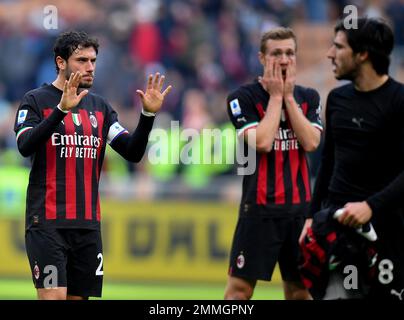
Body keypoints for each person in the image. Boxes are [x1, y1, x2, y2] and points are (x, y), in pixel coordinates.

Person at [13, 31, 171, 300]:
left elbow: (132, 152)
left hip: (87, 226)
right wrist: (61, 110)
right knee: (53, 296)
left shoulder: (100, 108)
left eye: (93, 60)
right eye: (81, 60)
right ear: (61, 62)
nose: (90, 67)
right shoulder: (35, 101)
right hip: (48, 223)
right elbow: (24, 145)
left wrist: (147, 116)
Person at [299, 17, 404, 299]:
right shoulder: (336, 99)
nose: (329, 54)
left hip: (387, 232)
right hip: (338, 230)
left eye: (338, 47)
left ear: (362, 54)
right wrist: (311, 217)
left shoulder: (399, 101)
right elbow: (328, 163)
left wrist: (370, 206)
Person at [224, 27, 323, 300]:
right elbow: (263, 141)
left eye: (290, 53)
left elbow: (311, 142)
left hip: (301, 213)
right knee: (239, 293)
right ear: (261, 58)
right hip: (259, 210)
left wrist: (288, 97)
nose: (284, 60)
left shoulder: (309, 97)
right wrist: (277, 97)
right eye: (276, 53)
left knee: (300, 292)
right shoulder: (241, 98)